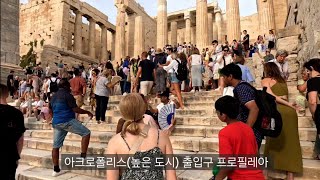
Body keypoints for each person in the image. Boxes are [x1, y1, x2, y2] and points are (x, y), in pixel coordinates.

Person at [106, 93, 176, 180]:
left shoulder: (114, 142)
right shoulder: (161, 136)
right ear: (143, 109)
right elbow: (171, 176)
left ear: (122, 112)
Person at [262, 62, 303, 179]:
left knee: (272, 139)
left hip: (276, 111)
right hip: (290, 113)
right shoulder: (283, 81)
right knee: (291, 141)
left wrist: (288, 103)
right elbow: (283, 96)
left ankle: (265, 173)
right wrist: (290, 105)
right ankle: (290, 174)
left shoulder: (266, 80)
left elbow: (271, 96)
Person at [49, 79, 93, 177]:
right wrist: (87, 112)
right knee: (86, 133)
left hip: (56, 123)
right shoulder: (67, 95)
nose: (70, 88)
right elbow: (75, 109)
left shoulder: (53, 97)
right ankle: (83, 157)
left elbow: (50, 110)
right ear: (66, 86)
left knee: (55, 146)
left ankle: (56, 170)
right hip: (67, 121)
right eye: (69, 86)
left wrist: (54, 118)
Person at [214, 96, 264, 180]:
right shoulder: (248, 128)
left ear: (223, 115)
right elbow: (255, 153)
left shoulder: (224, 133)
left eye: (218, 112)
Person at [220, 63, 262, 148]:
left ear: (230, 76)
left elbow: (254, 109)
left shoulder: (241, 89)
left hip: (252, 133)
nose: (223, 80)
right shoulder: (240, 87)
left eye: (224, 77)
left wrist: (246, 130)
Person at [0, 84, 26, 179]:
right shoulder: (17, 114)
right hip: (10, 155)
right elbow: (20, 139)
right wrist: (17, 156)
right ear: (7, 95)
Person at [304, 58, 320, 160]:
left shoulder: (313, 81)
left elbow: (313, 100)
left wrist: (315, 115)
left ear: (311, 68)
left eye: (308, 70)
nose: (307, 73)